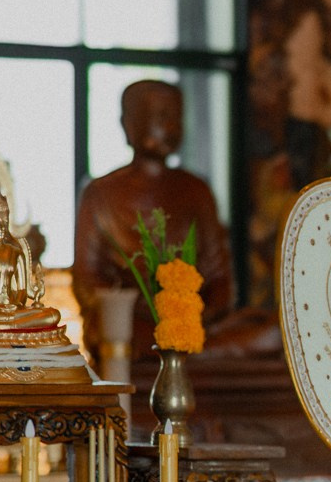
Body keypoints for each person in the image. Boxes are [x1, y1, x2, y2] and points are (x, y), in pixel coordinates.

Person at [72, 79, 236, 352]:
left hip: (194, 324)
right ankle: (182, 350)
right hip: (133, 326)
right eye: (161, 116)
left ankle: (186, 349)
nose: (171, 127)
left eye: (177, 117)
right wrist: (145, 309)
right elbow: (87, 282)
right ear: (129, 124)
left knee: (272, 332)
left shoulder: (196, 191)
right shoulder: (100, 193)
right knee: (119, 335)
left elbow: (219, 278)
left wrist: (194, 314)